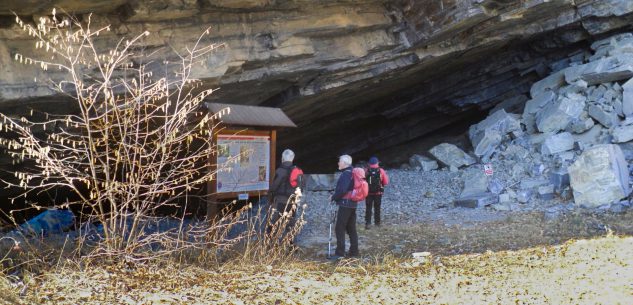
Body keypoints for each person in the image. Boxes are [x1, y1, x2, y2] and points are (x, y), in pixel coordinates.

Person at [329, 154, 359, 259]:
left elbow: (343, 190)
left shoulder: (346, 174)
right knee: (351, 228)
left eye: (340, 161)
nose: (338, 163)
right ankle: (354, 252)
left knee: (339, 228)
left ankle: (339, 254)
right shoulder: (353, 172)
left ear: (345, 163)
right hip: (352, 204)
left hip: (345, 204)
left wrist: (333, 197)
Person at [268, 149, 299, 237]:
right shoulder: (297, 171)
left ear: (282, 159)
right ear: (293, 159)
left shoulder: (279, 171)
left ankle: (271, 244)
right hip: (292, 202)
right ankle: (290, 245)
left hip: (280, 202)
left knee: (274, 223)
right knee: (290, 224)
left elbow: (273, 187)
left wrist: (270, 200)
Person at [364, 156, 389, 229]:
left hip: (368, 193)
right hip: (378, 193)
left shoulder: (366, 170)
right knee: (377, 207)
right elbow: (386, 182)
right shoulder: (381, 170)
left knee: (368, 208)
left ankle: (368, 223)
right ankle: (377, 223)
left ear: (369, 163)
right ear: (377, 162)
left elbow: (362, 181)